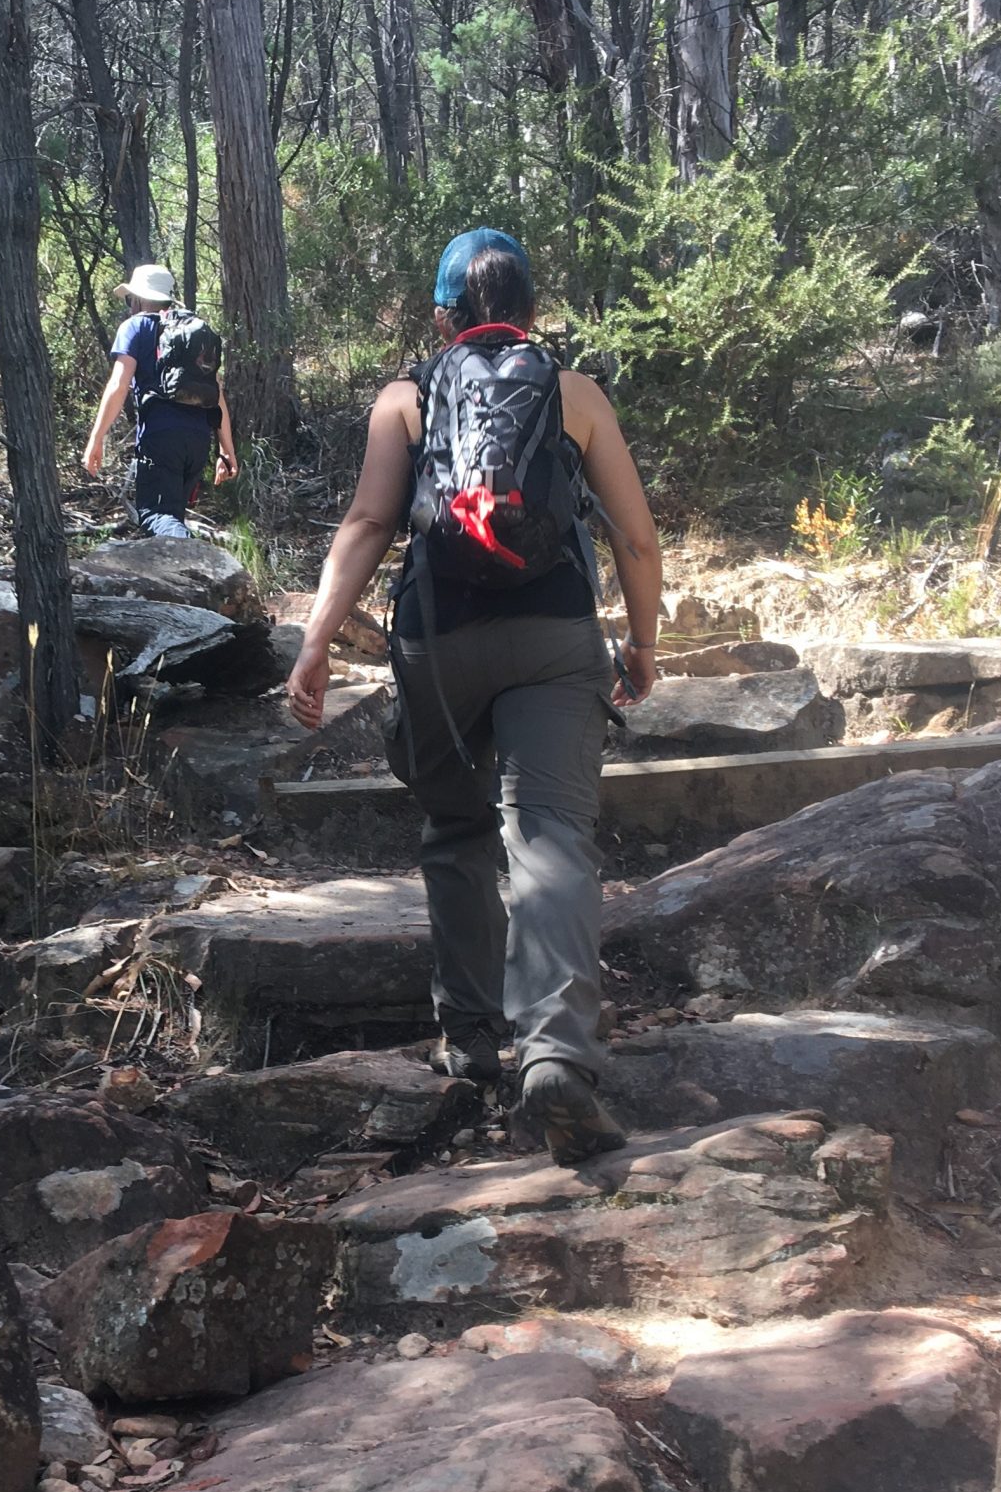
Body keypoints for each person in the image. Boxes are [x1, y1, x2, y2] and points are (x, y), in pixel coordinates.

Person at [288, 228, 664, 1164]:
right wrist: (645, 643)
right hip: (554, 637)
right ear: (532, 308)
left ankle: (470, 1040)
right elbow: (637, 538)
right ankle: (556, 1059)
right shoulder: (574, 391)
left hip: (437, 641)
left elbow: (372, 520)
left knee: (456, 832)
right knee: (551, 835)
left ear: (443, 313)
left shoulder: (404, 398)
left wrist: (316, 643)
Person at [81, 263, 239, 538]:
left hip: (161, 437)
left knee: (156, 515)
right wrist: (227, 452)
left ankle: (195, 559)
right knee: (172, 516)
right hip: (198, 440)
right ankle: (186, 572)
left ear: (140, 298)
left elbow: (118, 385)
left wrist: (97, 438)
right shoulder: (193, 332)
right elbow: (217, 395)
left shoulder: (135, 327)